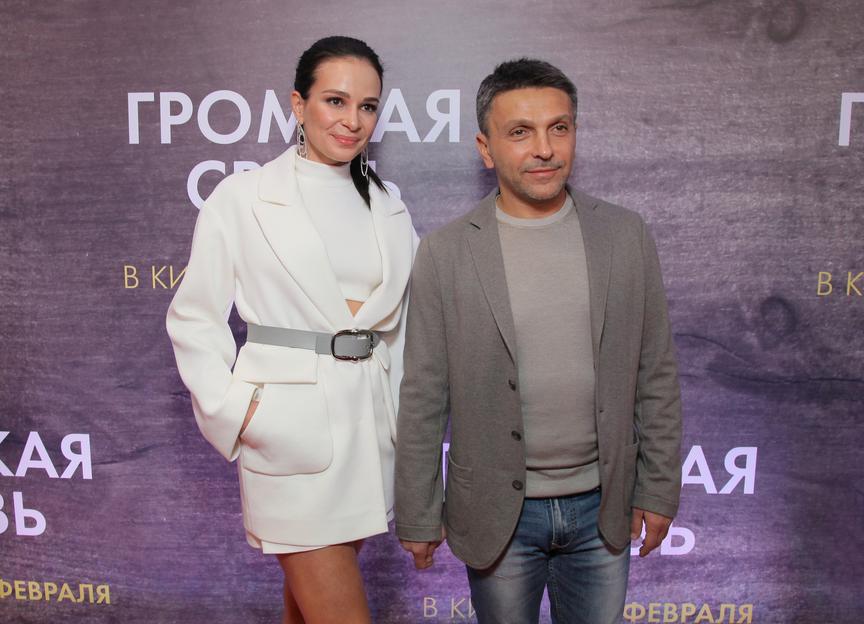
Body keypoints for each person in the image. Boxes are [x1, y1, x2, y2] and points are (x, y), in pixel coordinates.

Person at [394, 58, 682, 624]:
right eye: (520, 132)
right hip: (496, 514)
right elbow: (423, 394)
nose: (545, 149)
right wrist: (419, 513)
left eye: (559, 128)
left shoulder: (625, 236)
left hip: (603, 507)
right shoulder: (446, 253)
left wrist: (658, 488)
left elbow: (656, 374)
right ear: (486, 148)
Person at [166, 36, 416, 624]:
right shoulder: (242, 198)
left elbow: (401, 329)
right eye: (335, 101)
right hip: (287, 433)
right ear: (298, 104)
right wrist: (239, 411)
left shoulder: (388, 206)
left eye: (367, 106)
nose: (352, 120)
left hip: (368, 436)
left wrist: (402, 424)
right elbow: (194, 316)